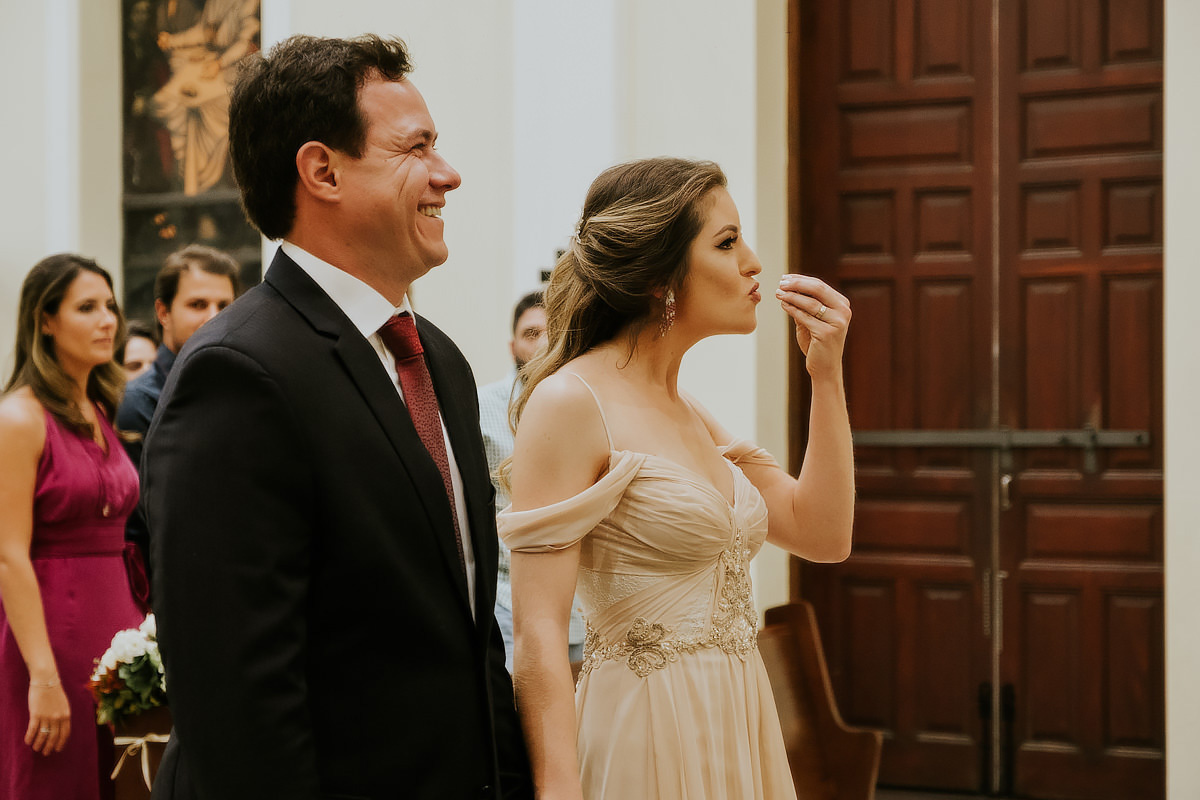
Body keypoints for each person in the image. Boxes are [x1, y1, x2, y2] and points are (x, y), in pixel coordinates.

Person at [142, 34, 531, 799]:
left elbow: (469, 630)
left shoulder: (439, 362)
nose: (447, 175)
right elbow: (239, 701)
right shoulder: (239, 374)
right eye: (416, 148)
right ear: (322, 170)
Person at [499, 157, 855, 799]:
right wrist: (557, 790)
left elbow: (822, 534)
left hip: (739, 717)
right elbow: (539, 630)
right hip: (645, 727)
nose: (754, 262)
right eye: (726, 242)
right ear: (660, 276)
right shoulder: (570, 402)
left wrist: (825, 379)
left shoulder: (691, 413)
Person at [0, 254, 145, 799]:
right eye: (87, 308)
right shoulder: (18, 418)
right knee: (56, 782)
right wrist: (41, 674)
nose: (108, 320)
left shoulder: (100, 407)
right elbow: (8, 554)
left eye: (110, 306)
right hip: (49, 639)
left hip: (118, 635)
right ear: (45, 320)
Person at [117, 244, 239, 585]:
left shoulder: (243, 389)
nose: (214, 316)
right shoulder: (138, 402)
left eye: (224, 305)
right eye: (197, 305)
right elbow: (145, 524)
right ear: (164, 312)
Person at [478, 291, 585, 672]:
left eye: (549, 334)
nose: (541, 344)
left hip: (583, 602)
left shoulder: (585, 403)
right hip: (510, 599)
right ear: (512, 345)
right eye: (530, 333)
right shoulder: (482, 406)